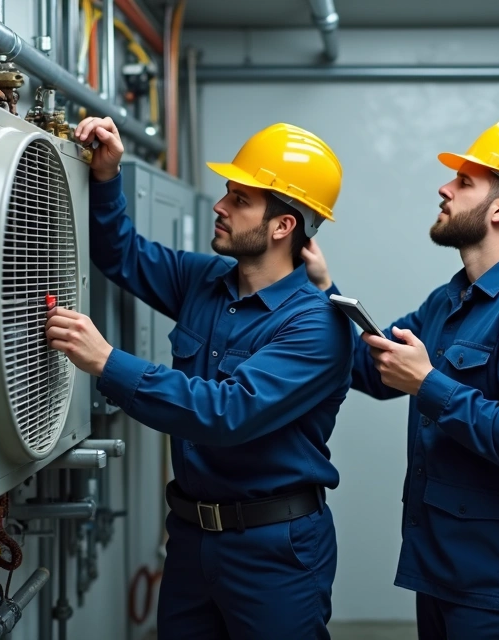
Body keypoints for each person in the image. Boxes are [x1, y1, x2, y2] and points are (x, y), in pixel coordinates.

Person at [44, 116, 353, 639]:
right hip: (191, 539)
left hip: (275, 550)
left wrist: (106, 361)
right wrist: (105, 177)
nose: (220, 206)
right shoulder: (205, 280)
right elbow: (122, 254)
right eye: (227, 192)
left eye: (240, 199)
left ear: (283, 227)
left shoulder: (318, 324)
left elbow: (228, 412)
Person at [304, 117, 499, 639]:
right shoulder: (451, 299)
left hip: (498, 584)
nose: (445, 188)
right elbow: (375, 371)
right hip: (440, 569)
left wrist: (429, 384)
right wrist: (324, 291)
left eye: (464, 183)